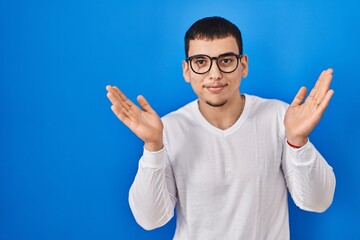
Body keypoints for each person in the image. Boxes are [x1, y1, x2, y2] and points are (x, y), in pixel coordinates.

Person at [106, 16, 335, 240]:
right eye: (201, 62)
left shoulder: (280, 118)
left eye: (225, 60)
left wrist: (298, 141)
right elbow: (150, 219)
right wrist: (153, 147)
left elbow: (318, 201)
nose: (214, 74)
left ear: (243, 65)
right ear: (186, 70)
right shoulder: (168, 130)